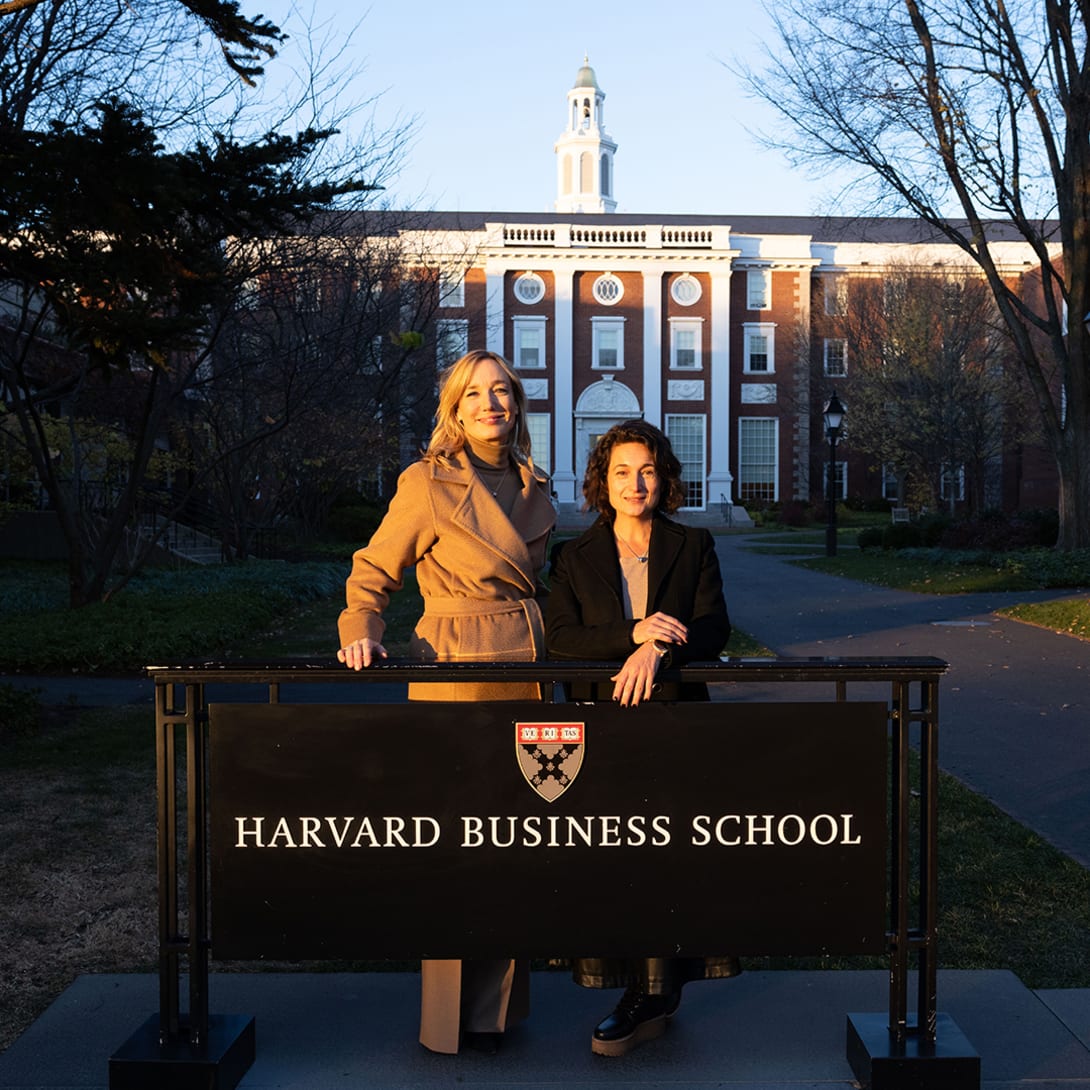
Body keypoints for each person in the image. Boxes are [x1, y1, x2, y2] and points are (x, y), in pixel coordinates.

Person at [337, 349, 556, 1055]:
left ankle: (494, 1016)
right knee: (457, 845)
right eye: (475, 395)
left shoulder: (533, 481)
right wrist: (361, 633)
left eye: (503, 392)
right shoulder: (427, 484)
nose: (492, 404)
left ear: (516, 404)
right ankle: (445, 1021)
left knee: (515, 848)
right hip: (456, 669)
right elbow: (373, 570)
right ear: (455, 410)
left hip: (528, 670)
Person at [545, 418, 740, 1056]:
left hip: (677, 723)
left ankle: (654, 993)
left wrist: (661, 648)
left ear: (665, 478)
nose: (636, 483)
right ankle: (627, 983)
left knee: (672, 861)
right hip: (603, 728)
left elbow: (713, 628)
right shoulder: (573, 556)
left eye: (648, 470)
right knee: (615, 862)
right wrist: (632, 634)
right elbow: (563, 639)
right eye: (623, 471)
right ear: (604, 480)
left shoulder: (693, 544)